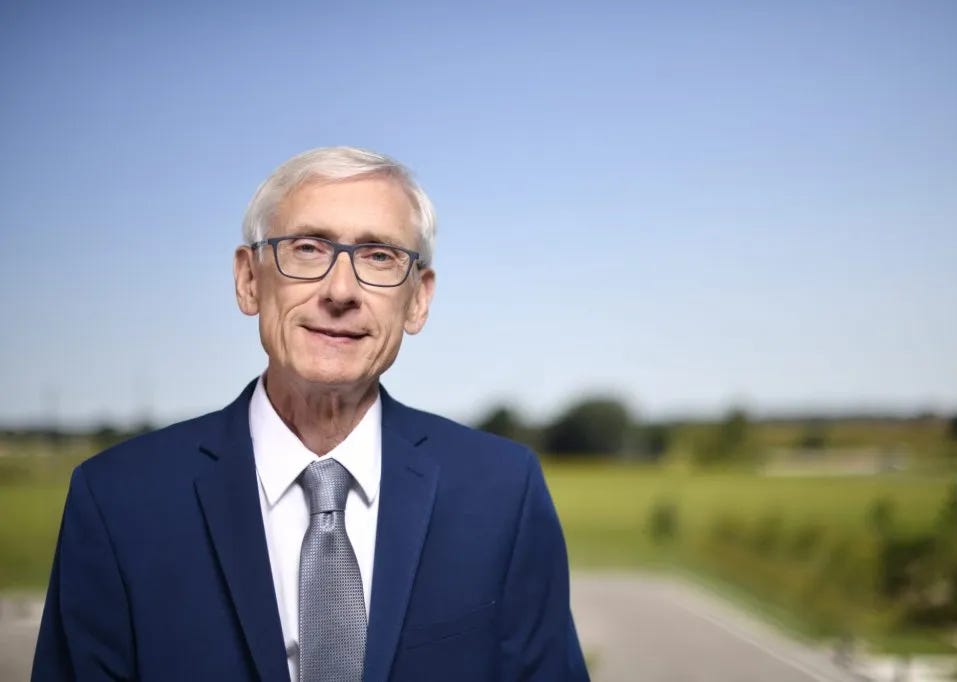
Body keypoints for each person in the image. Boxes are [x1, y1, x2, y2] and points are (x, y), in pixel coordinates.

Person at [32, 147, 589, 681]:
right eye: (308, 248)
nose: (340, 290)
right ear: (249, 280)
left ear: (418, 299)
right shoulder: (117, 502)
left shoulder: (502, 492)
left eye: (379, 256)